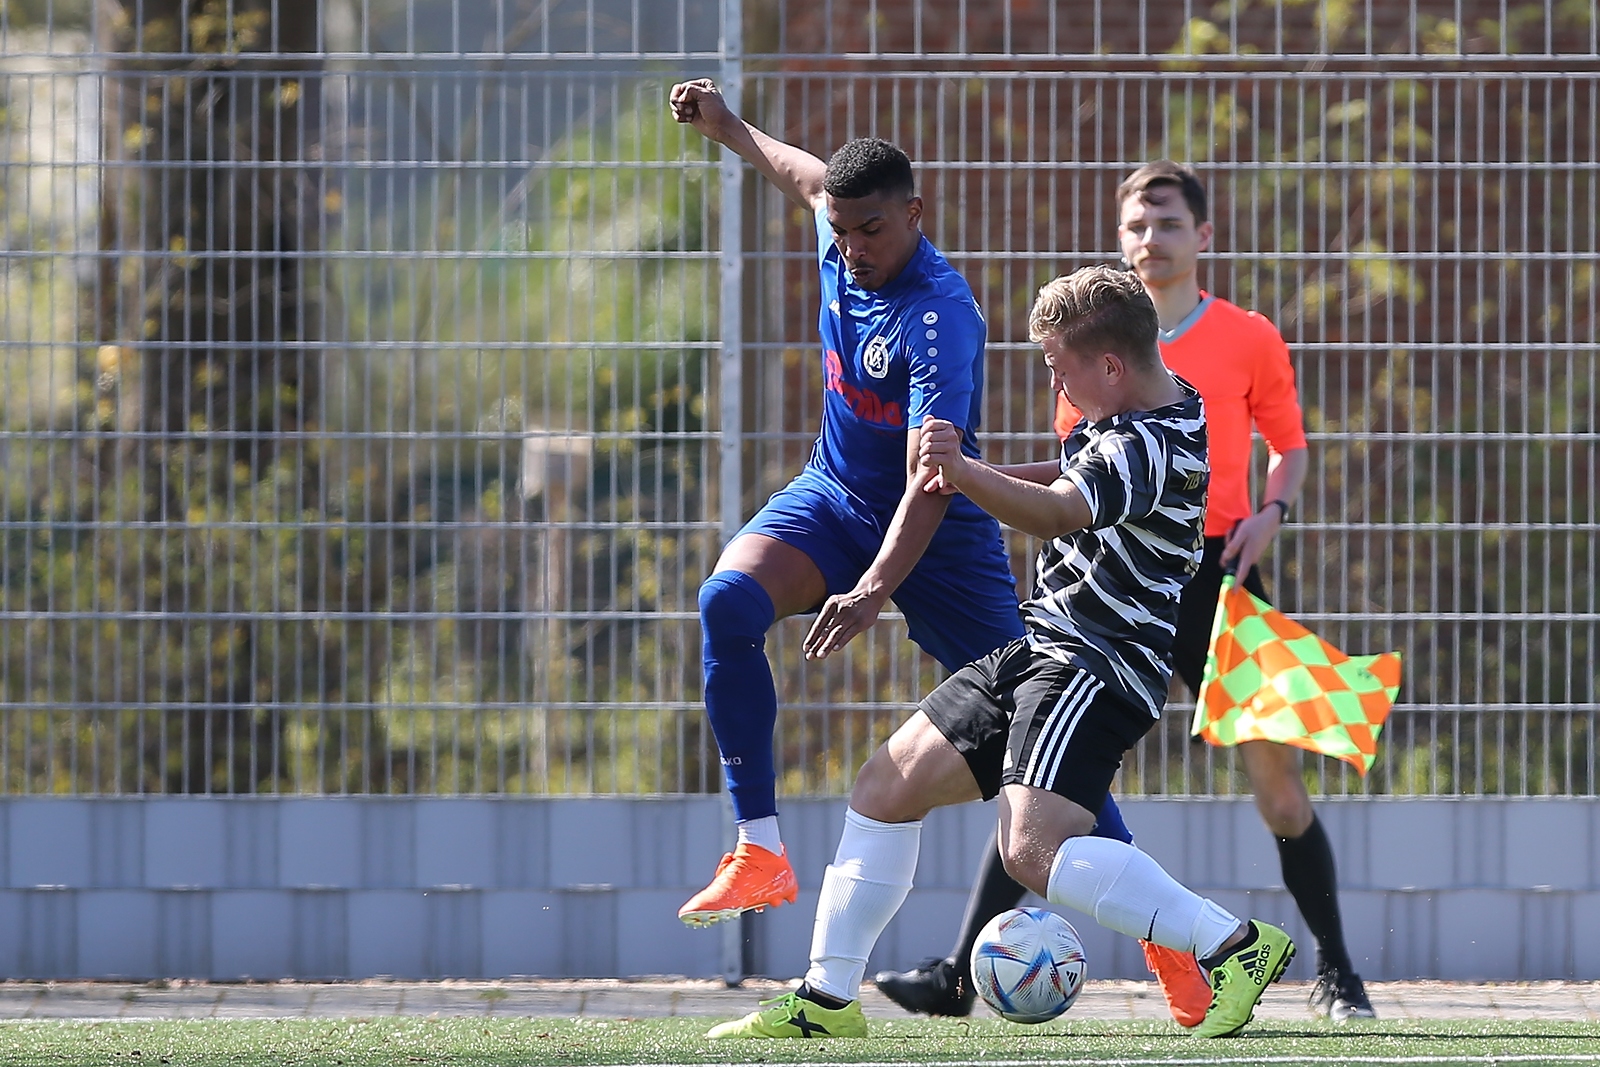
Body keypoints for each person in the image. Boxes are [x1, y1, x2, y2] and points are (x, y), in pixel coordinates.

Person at [704, 266, 1295, 1041]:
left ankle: (1232, 945)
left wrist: (962, 470)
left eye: (1059, 366)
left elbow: (1057, 513)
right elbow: (1072, 475)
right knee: (886, 784)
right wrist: (978, 478)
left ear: (1110, 367)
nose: (1056, 380)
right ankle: (826, 999)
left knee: (1030, 849)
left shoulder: (1152, 441)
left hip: (1097, 663)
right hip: (1043, 647)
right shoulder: (1146, 399)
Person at [875, 160, 1375, 1025]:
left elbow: (1289, 444)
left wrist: (1274, 510)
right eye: (1137, 227)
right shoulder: (1093, 348)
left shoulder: (1245, 336)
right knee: (1035, 762)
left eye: (1169, 224)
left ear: (1203, 237)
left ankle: (1337, 971)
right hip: (1115, 589)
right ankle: (964, 969)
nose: (1153, 239)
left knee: (1277, 780)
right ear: (1121, 242)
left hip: (1223, 571)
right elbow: (1078, 479)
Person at [665, 80, 1136, 929]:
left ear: (914, 213)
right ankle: (760, 848)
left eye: (870, 229)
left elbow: (934, 473)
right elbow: (802, 176)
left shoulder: (939, 318)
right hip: (834, 496)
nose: (850, 247)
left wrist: (878, 585)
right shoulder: (839, 228)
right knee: (726, 600)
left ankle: (1167, 940)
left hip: (941, 535)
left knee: (1037, 738)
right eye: (841, 231)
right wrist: (728, 126)